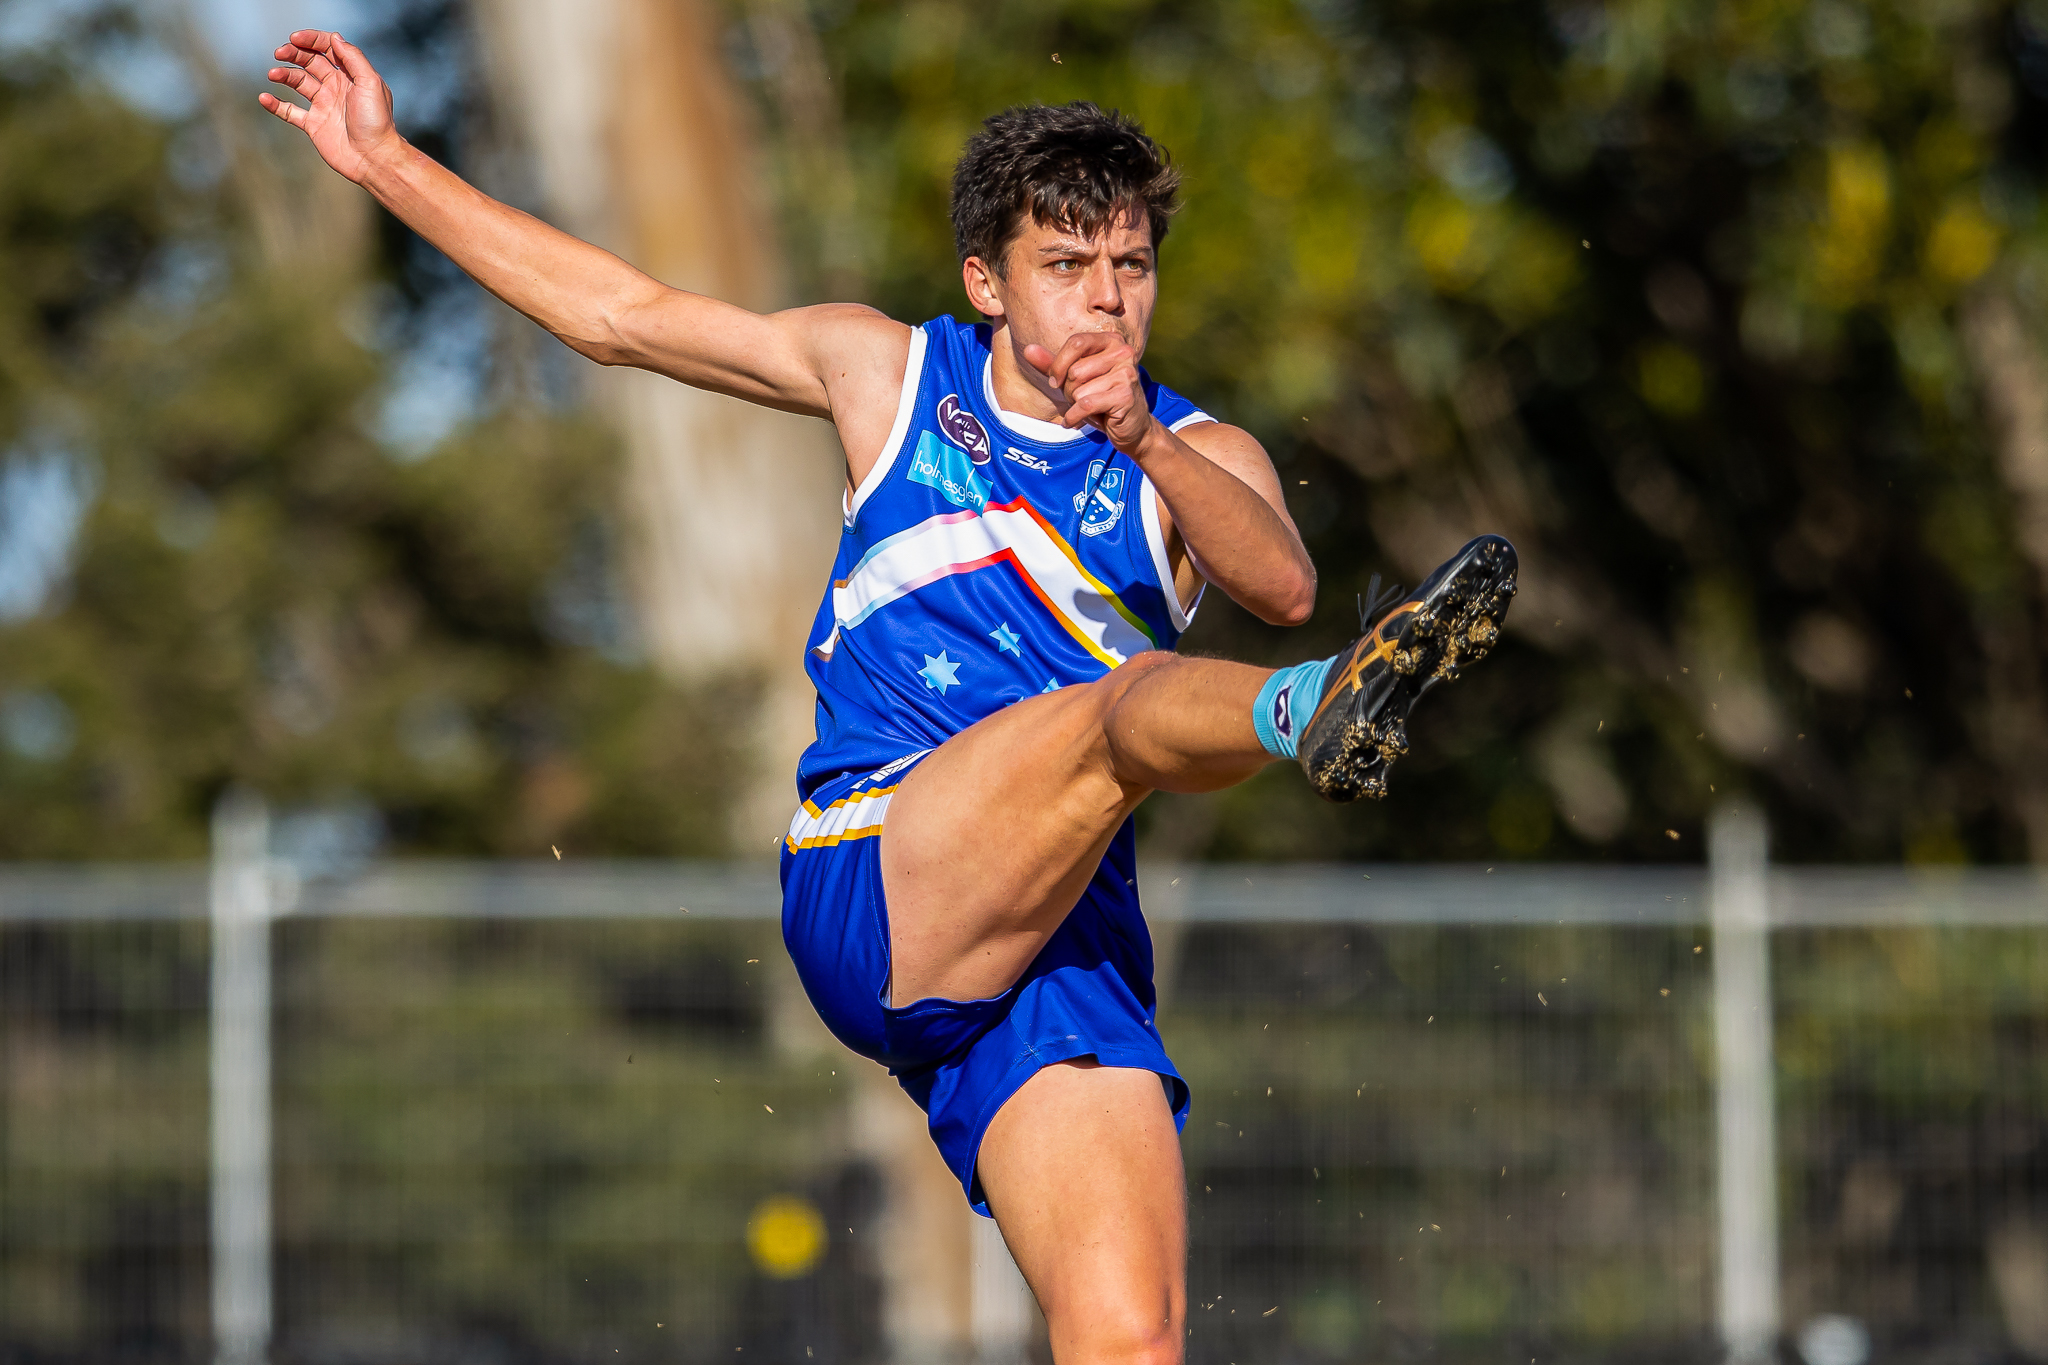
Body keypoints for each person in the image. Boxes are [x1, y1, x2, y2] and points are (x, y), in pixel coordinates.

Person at [261, 33, 1516, 1363]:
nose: (1107, 301)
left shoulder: (1191, 449)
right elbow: (616, 317)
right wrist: (386, 159)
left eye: (1131, 267)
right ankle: (1311, 714)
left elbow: (1279, 578)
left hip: (1060, 935)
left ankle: (1314, 709)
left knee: (1129, 1336)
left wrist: (1140, 430)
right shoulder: (887, 376)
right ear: (986, 280)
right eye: (1068, 266)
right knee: (1128, 708)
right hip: (879, 867)